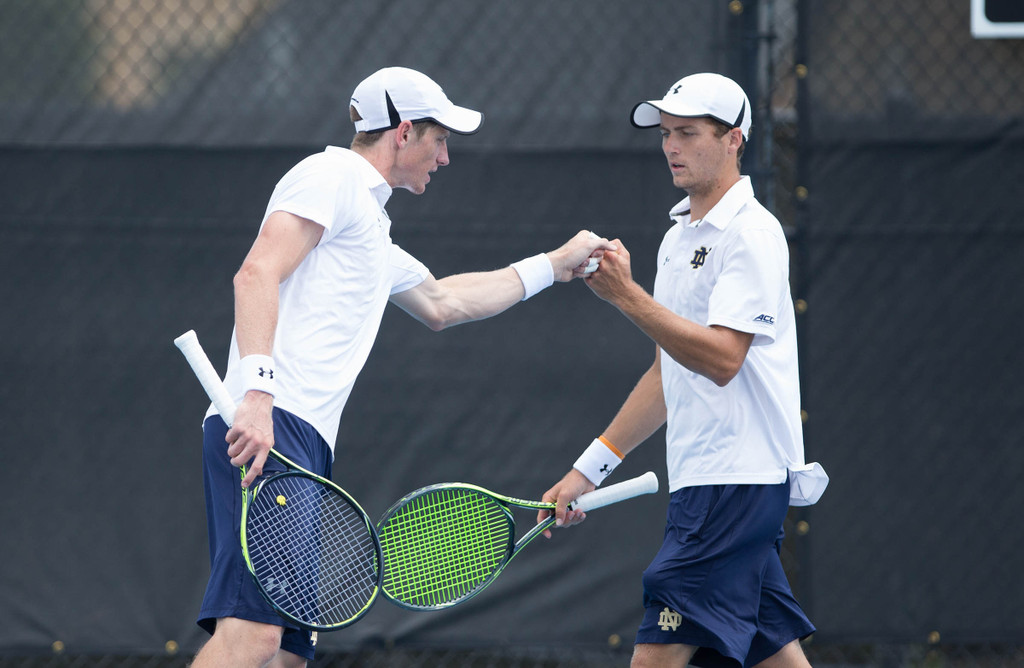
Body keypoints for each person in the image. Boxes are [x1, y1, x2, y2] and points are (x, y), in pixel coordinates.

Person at [190, 66, 615, 668]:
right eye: (440, 140)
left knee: (286, 653)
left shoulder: (371, 228)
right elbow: (256, 273)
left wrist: (554, 264)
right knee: (254, 636)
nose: (444, 158)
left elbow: (445, 303)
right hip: (268, 427)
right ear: (404, 132)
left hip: (300, 440)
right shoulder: (331, 175)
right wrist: (258, 397)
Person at [537, 73, 828, 668]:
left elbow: (722, 359)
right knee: (776, 651)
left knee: (656, 656)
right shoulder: (677, 240)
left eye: (689, 133)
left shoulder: (752, 233)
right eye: (667, 133)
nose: (671, 146)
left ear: (733, 140)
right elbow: (667, 377)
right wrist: (587, 471)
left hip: (737, 481)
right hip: (705, 481)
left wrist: (626, 297)